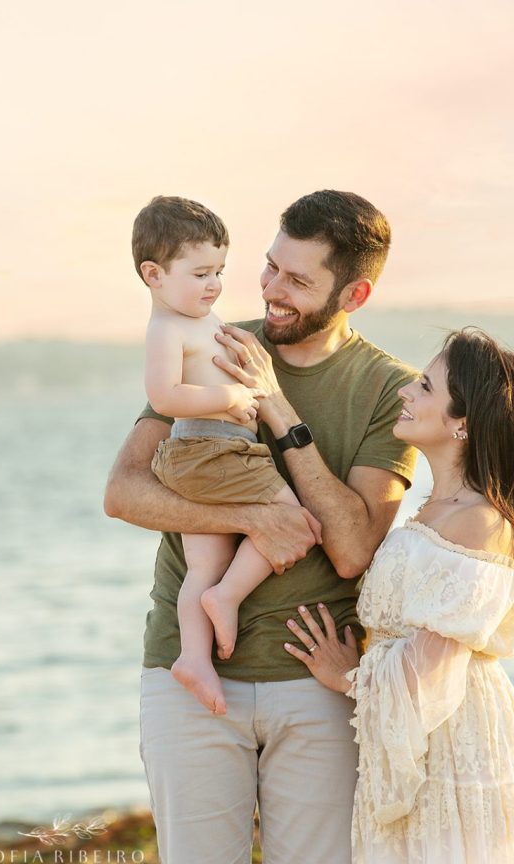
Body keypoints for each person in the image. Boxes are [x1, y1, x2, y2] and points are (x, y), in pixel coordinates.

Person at [105, 189, 418, 864]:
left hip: (316, 681)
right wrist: (249, 518)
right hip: (186, 678)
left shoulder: (388, 389)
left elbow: (351, 549)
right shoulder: (210, 338)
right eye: (271, 267)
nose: (272, 291)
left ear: (356, 292)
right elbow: (122, 491)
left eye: (299, 280)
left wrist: (276, 405)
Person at [284, 327, 514, 864]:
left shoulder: (480, 522)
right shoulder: (433, 508)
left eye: (427, 385)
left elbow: (432, 667)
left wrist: (347, 675)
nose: (408, 390)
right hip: (422, 739)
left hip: (455, 745)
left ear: (463, 422)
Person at [134, 196, 306, 717]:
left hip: (209, 453)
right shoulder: (168, 329)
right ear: (154, 275)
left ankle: (194, 657)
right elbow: (164, 397)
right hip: (208, 449)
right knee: (296, 522)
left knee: (201, 568)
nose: (214, 284)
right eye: (201, 273)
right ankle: (228, 597)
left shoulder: (201, 319)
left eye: (220, 271)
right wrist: (231, 399)